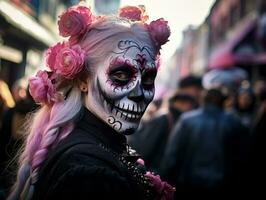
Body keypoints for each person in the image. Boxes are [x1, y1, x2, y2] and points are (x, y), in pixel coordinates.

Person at [7, 4, 175, 200]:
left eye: (147, 78)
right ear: (82, 80)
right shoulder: (89, 174)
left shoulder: (97, 148)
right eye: (121, 74)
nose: (140, 93)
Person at [160, 89, 250, 198]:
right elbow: (243, 158)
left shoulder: (187, 120)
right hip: (223, 185)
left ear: (203, 100)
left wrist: (167, 182)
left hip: (189, 185)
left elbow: (171, 156)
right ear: (223, 101)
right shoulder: (234, 123)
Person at [129, 92, 197, 172]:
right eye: (187, 104)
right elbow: (148, 145)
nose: (189, 107)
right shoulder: (163, 118)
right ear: (177, 103)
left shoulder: (177, 119)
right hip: (151, 168)